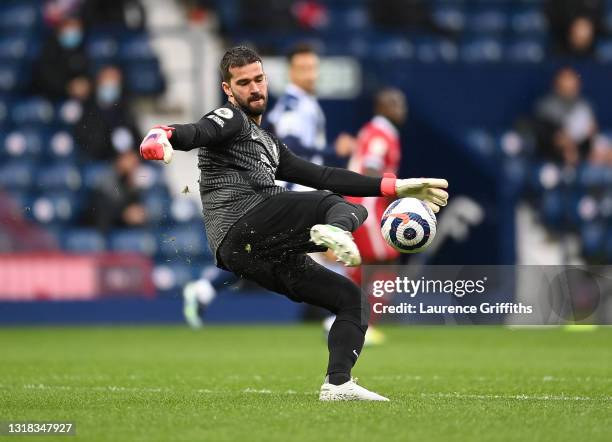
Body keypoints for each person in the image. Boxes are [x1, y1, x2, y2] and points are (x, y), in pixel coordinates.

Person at [139, 46, 449, 401]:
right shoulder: (229, 117)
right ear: (228, 89)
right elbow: (196, 132)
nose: (255, 89)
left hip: (250, 252)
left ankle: (338, 384)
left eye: (258, 79)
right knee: (334, 206)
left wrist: (395, 185)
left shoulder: (269, 144)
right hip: (244, 219)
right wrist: (163, 134)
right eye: (244, 83)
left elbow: (324, 174)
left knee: (352, 299)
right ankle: (333, 230)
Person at [322, 88, 408, 345]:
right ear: (381, 107)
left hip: (357, 204)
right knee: (387, 262)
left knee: (361, 264)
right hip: (368, 207)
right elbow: (371, 168)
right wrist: (394, 194)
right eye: (395, 103)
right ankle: (362, 323)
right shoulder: (381, 134)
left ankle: (342, 318)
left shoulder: (372, 130)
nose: (401, 108)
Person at [74, 66, 142, 161]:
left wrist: (133, 156)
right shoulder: (87, 108)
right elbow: (88, 143)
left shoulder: (125, 110)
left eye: (114, 82)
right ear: (98, 83)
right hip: (97, 161)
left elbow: (136, 139)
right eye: (107, 81)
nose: (110, 86)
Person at [533, 67, 597, 166]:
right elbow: (548, 138)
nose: (568, 93)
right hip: (551, 160)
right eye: (564, 88)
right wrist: (564, 145)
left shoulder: (584, 107)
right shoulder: (545, 107)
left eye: (572, 88)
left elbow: (590, 140)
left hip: (581, 157)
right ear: (557, 87)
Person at [31, 15, 91, 101]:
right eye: (70, 27)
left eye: (77, 28)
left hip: (75, 99)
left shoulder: (82, 49)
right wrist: (68, 87)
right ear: (60, 29)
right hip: (48, 97)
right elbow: (45, 76)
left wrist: (85, 84)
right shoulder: (48, 48)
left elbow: (86, 73)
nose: (73, 31)